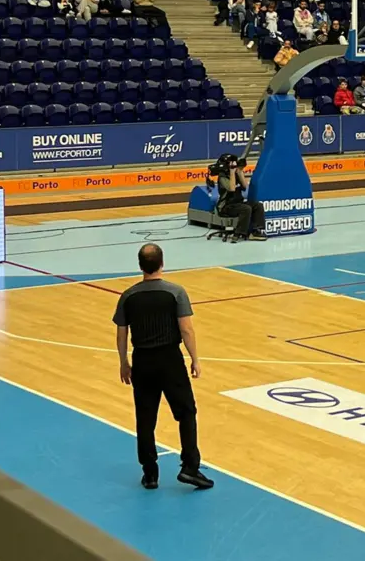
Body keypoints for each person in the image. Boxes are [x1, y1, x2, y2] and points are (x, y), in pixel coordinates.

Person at [113, 244, 214, 490]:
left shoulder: (128, 296)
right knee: (186, 412)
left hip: (142, 361)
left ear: (140, 266)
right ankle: (190, 467)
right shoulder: (175, 293)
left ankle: (150, 473)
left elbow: (121, 331)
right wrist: (195, 358)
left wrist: (124, 362)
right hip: (170, 359)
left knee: (145, 418)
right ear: (162, 263)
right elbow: (186, 328)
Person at [213, 155, 266, 242]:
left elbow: (245, 186)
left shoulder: (236, 174)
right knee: (246, 209)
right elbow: (232, 188)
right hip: (226, 206)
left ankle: (256, 231)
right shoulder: (222, 177)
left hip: (238, 203)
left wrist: (240, 172)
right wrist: (232, 173)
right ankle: (238, 233)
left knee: (258, 205)